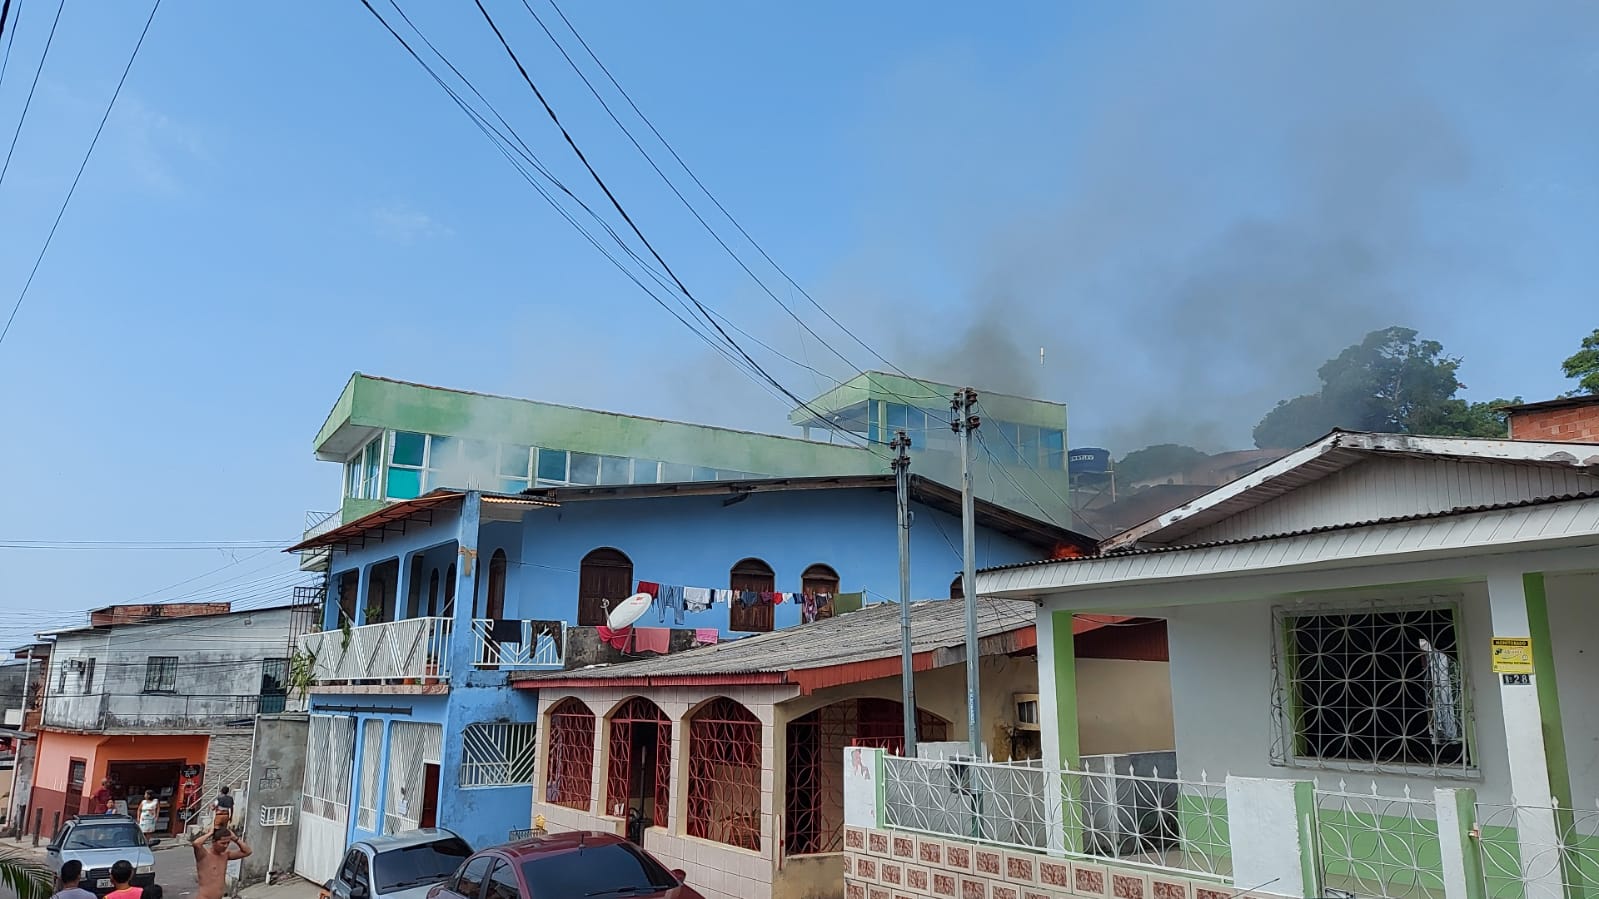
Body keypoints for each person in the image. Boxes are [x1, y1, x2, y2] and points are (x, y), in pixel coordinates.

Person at [192, 825, 251, 899]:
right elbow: (196, 844)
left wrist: (235, 838)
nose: (225, 846)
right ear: (214, 842)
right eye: (223, 843)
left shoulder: (225, 855)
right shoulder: (204, 855)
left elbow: (247, 852)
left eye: (228, 843)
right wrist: (210, 833)